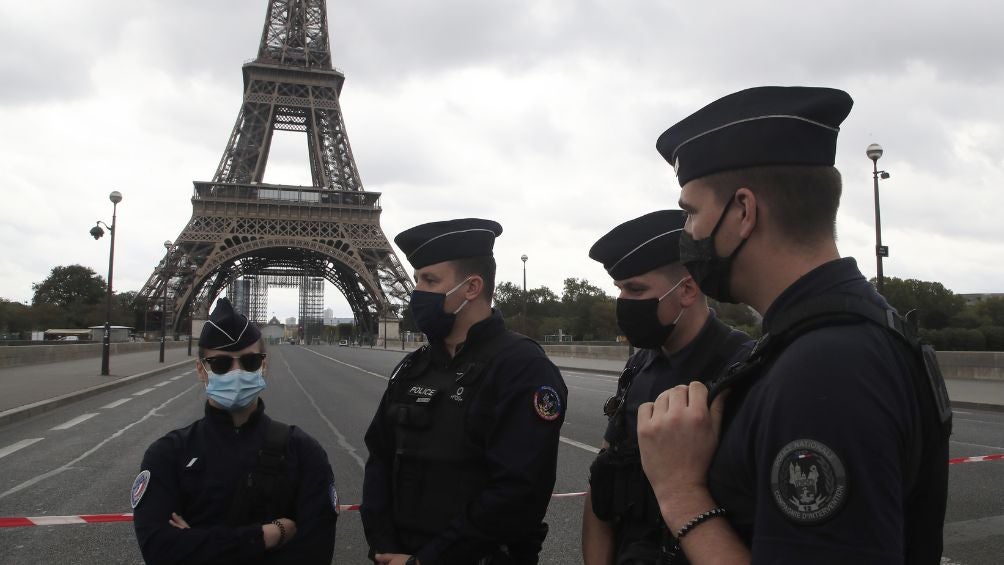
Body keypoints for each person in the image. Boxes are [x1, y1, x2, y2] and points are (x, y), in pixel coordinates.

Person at [635, 86, 952, 564]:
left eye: (692, 213)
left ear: (743, 211)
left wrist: (680, 493)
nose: (687, 235)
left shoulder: (827, 367)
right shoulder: (832, 338)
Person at [361, 218, 568, 565]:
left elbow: (517, 494)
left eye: (429, 280)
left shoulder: (522, 368)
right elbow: (379, 457)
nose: (416, 293)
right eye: (416, 281)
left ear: (472, 287)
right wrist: (383, 544)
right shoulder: (414, 367)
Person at [581, 210, 752, 565]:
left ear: (687, 289)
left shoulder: (743, 370)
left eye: (636, 289)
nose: (624, 302)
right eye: (621, 290)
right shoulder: (639, 366)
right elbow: (603, 483)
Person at [132, 297, 338, 565]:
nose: (236, 371)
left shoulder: (306, 453)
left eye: (250, 362)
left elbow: (315, 553)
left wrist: (196, 543)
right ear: (201, 370)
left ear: (263, 366)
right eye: (221, 364)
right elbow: (160, 552)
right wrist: (268, 535)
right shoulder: (165, 455)